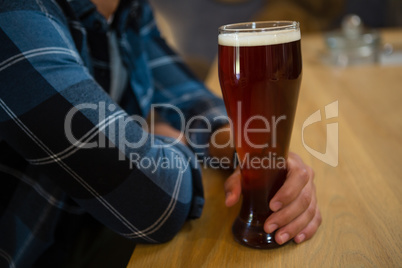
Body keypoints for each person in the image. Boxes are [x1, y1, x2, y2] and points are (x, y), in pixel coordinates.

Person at [0, 0, 321, 267]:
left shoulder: (126, 7)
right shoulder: (15, 17)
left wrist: (257, 156)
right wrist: (168, 140)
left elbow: (187, 100)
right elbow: (156, 202)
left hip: (90, 230)